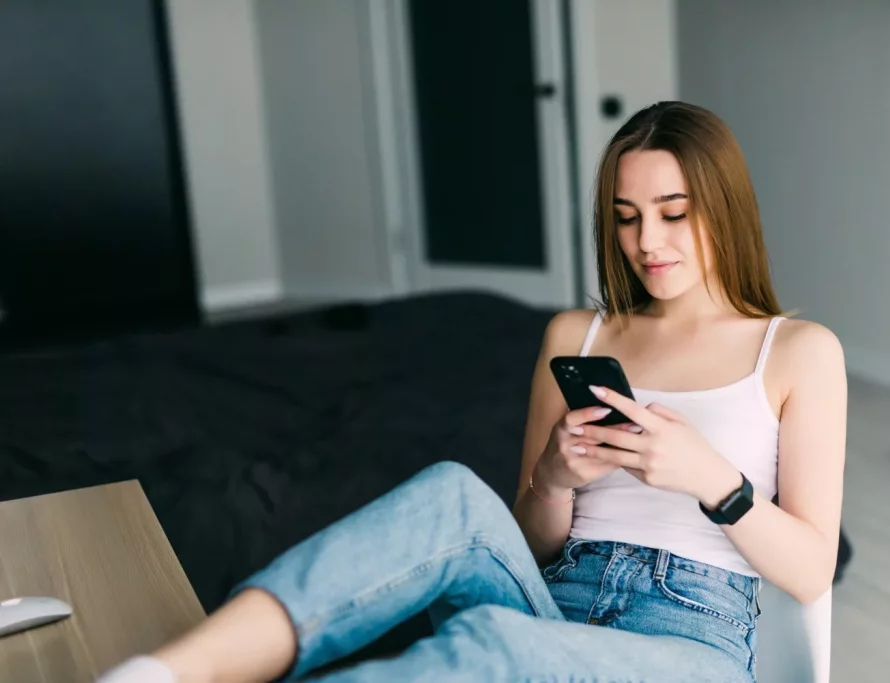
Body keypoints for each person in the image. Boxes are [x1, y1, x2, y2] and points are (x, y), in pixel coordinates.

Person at [97, 101, 847, 683]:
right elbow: (530, 541)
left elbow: (812, 569)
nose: (647, 241)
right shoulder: (576, 337)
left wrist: (710, 476)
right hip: (559, 593)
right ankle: (167, 671)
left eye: (672, 214)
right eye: (626, 218)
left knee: (493, 644)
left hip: (692, 638)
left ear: (725, 207)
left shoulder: (797, 352)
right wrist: (554, 478)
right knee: (455, 492)